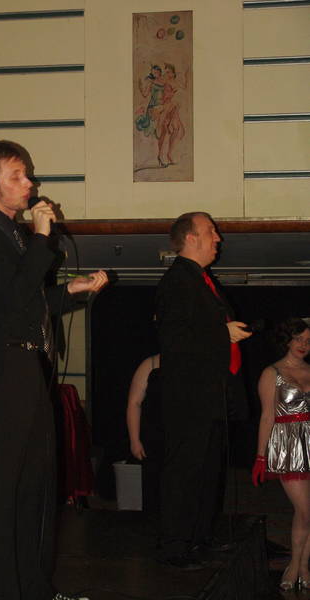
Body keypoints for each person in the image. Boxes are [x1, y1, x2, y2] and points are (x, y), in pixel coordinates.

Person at [0, 140, 108, 600]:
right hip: (0, 369)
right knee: (1, 490)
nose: (30, 183)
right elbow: (14, 295)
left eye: (27, 174)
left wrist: (72, 291)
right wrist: (42, 237)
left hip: (26, 364)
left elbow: (28, 302)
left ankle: (37, 589)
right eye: (18, 176)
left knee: (36, 485)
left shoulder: (12, 233)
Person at [154, 211, 252, 569]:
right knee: (185, 471)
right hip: (189, 398)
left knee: (209, 472)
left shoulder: (202, 280)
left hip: (210, 395)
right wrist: (222, 333)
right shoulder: (177, 280)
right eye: (211, 231)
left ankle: (200, 538)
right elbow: (173, 338)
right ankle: (174, 546)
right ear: (191, 238)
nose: (218, 238)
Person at [252, 318, 310, 591]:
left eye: (308, 341)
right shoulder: (271, 372)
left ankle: (303, 566)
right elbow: (267, 417)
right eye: (299, 339)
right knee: (305, 509)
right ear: (288, 339)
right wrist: (260, 457)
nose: (303, 345)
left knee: (307, 511)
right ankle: (295, 565)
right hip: (287, 446)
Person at [126, 354, 162, 513]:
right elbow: (134, 403)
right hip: (154, 441)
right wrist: (134, 440)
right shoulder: (150, 364)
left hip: (183, 441)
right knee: (153, 491)